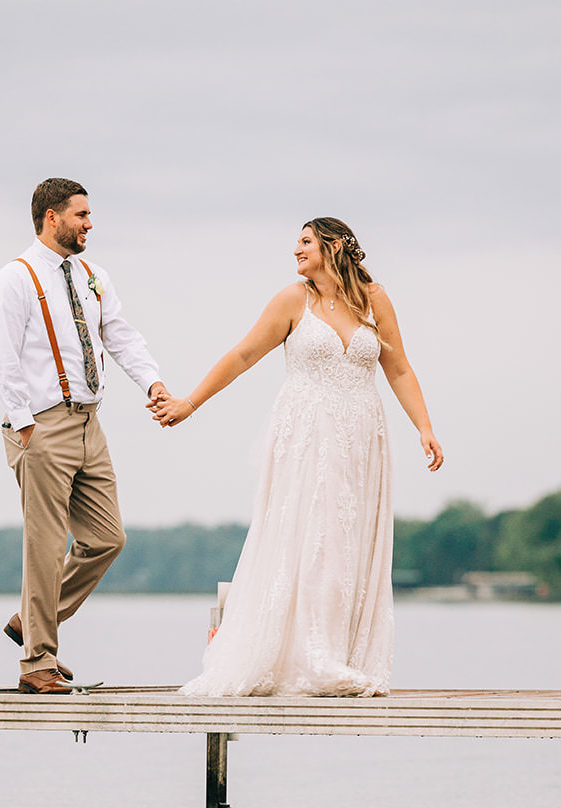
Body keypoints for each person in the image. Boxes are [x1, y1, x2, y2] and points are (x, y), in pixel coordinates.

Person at [150, 217, 442, 696]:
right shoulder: (292, 299)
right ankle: (312, 658)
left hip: (362, 436)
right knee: (314, 537)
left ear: (333, 246)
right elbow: (243, 354)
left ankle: (341, 654)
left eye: (305, 242)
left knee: (350, 541)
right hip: (307, 436)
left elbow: (400, 369)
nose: (296, 251)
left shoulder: (375, 300)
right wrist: (189, 403)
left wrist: (424, 427)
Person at [0, 178, 171, 694]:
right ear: (52, 217)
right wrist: (25, 424)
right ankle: (36, 663)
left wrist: (151, 380)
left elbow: (120, 335)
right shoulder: (14, 279)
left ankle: (30, 622)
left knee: (107, 538)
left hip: (91, 422)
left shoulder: (92, 274)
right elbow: (1, 358)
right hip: (42, 425)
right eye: (81, 215)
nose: (90, 224)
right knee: (44, 548)